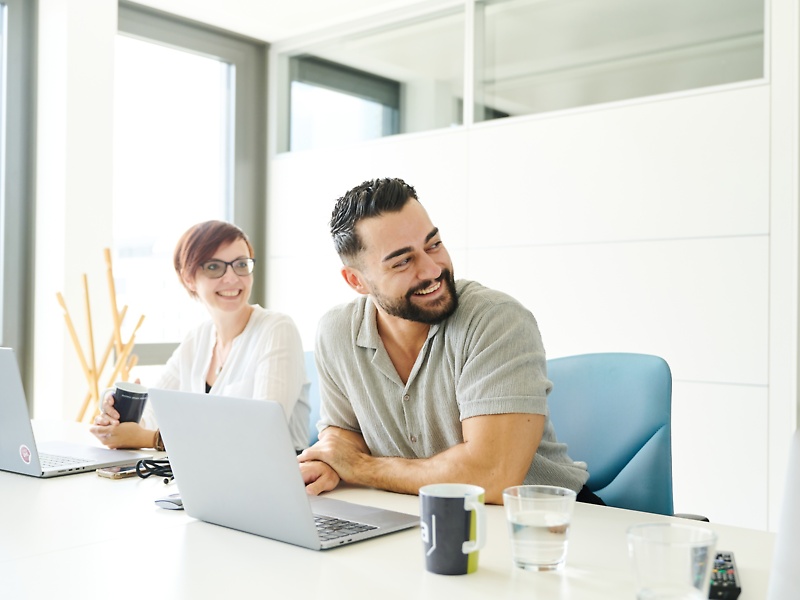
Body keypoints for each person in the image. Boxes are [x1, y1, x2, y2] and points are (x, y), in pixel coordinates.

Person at [298, 178, 601, 505]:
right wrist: (327, 464)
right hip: (422, 515)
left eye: (434, 244)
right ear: (356, 280)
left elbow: (491, 477)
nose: (432, 269)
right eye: (403, 261)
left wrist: (358, 467)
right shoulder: (336, 331)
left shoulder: (496, 321)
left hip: (546, 523)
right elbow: (343, 436)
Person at [91, 220, 310, 452]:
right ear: (188, 278)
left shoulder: (276, 329)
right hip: (208, 477)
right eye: (214, 267)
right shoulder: (197, 340)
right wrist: (119, 420)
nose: (232, 278)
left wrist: (150, 439)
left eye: (241, 265)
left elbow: (261, 431)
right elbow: (154, 412)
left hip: (274, 480)